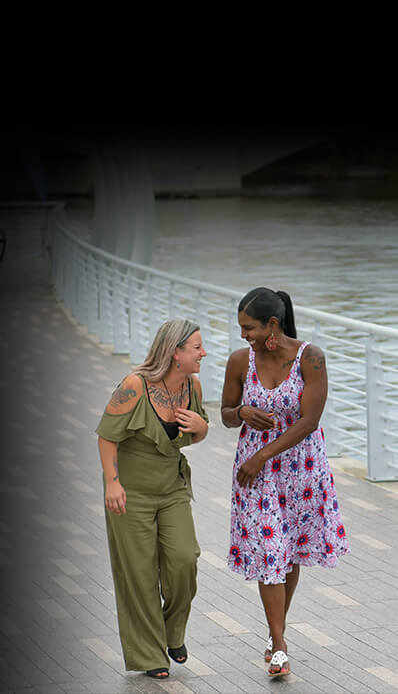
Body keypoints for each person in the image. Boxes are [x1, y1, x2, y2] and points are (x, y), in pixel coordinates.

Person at [221, 288, 349, 677]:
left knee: (287, 552)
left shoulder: (310, 358)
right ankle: (279, 645)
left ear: (272, 325)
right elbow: (225, 414)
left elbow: (310, 422)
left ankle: (277, 632)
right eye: (241, 327)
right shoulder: (240, 361)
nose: (243, 334)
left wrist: (262, 454)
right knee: (268, 553)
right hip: (255, 476)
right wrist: (242, 410)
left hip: (301, 470)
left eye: (249, 327)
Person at [95, 318, 209, 679]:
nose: (203, 353)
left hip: (172, 488)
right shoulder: (134, 386)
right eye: (196, 348)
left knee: (184, 559)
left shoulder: (193, 385)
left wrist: (203, 429)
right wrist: (112, 483)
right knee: (139, 574)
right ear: (175, 353)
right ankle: (149, 656)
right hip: (130, 493)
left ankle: (171, 631)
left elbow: (197, 431)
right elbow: (106, 437)